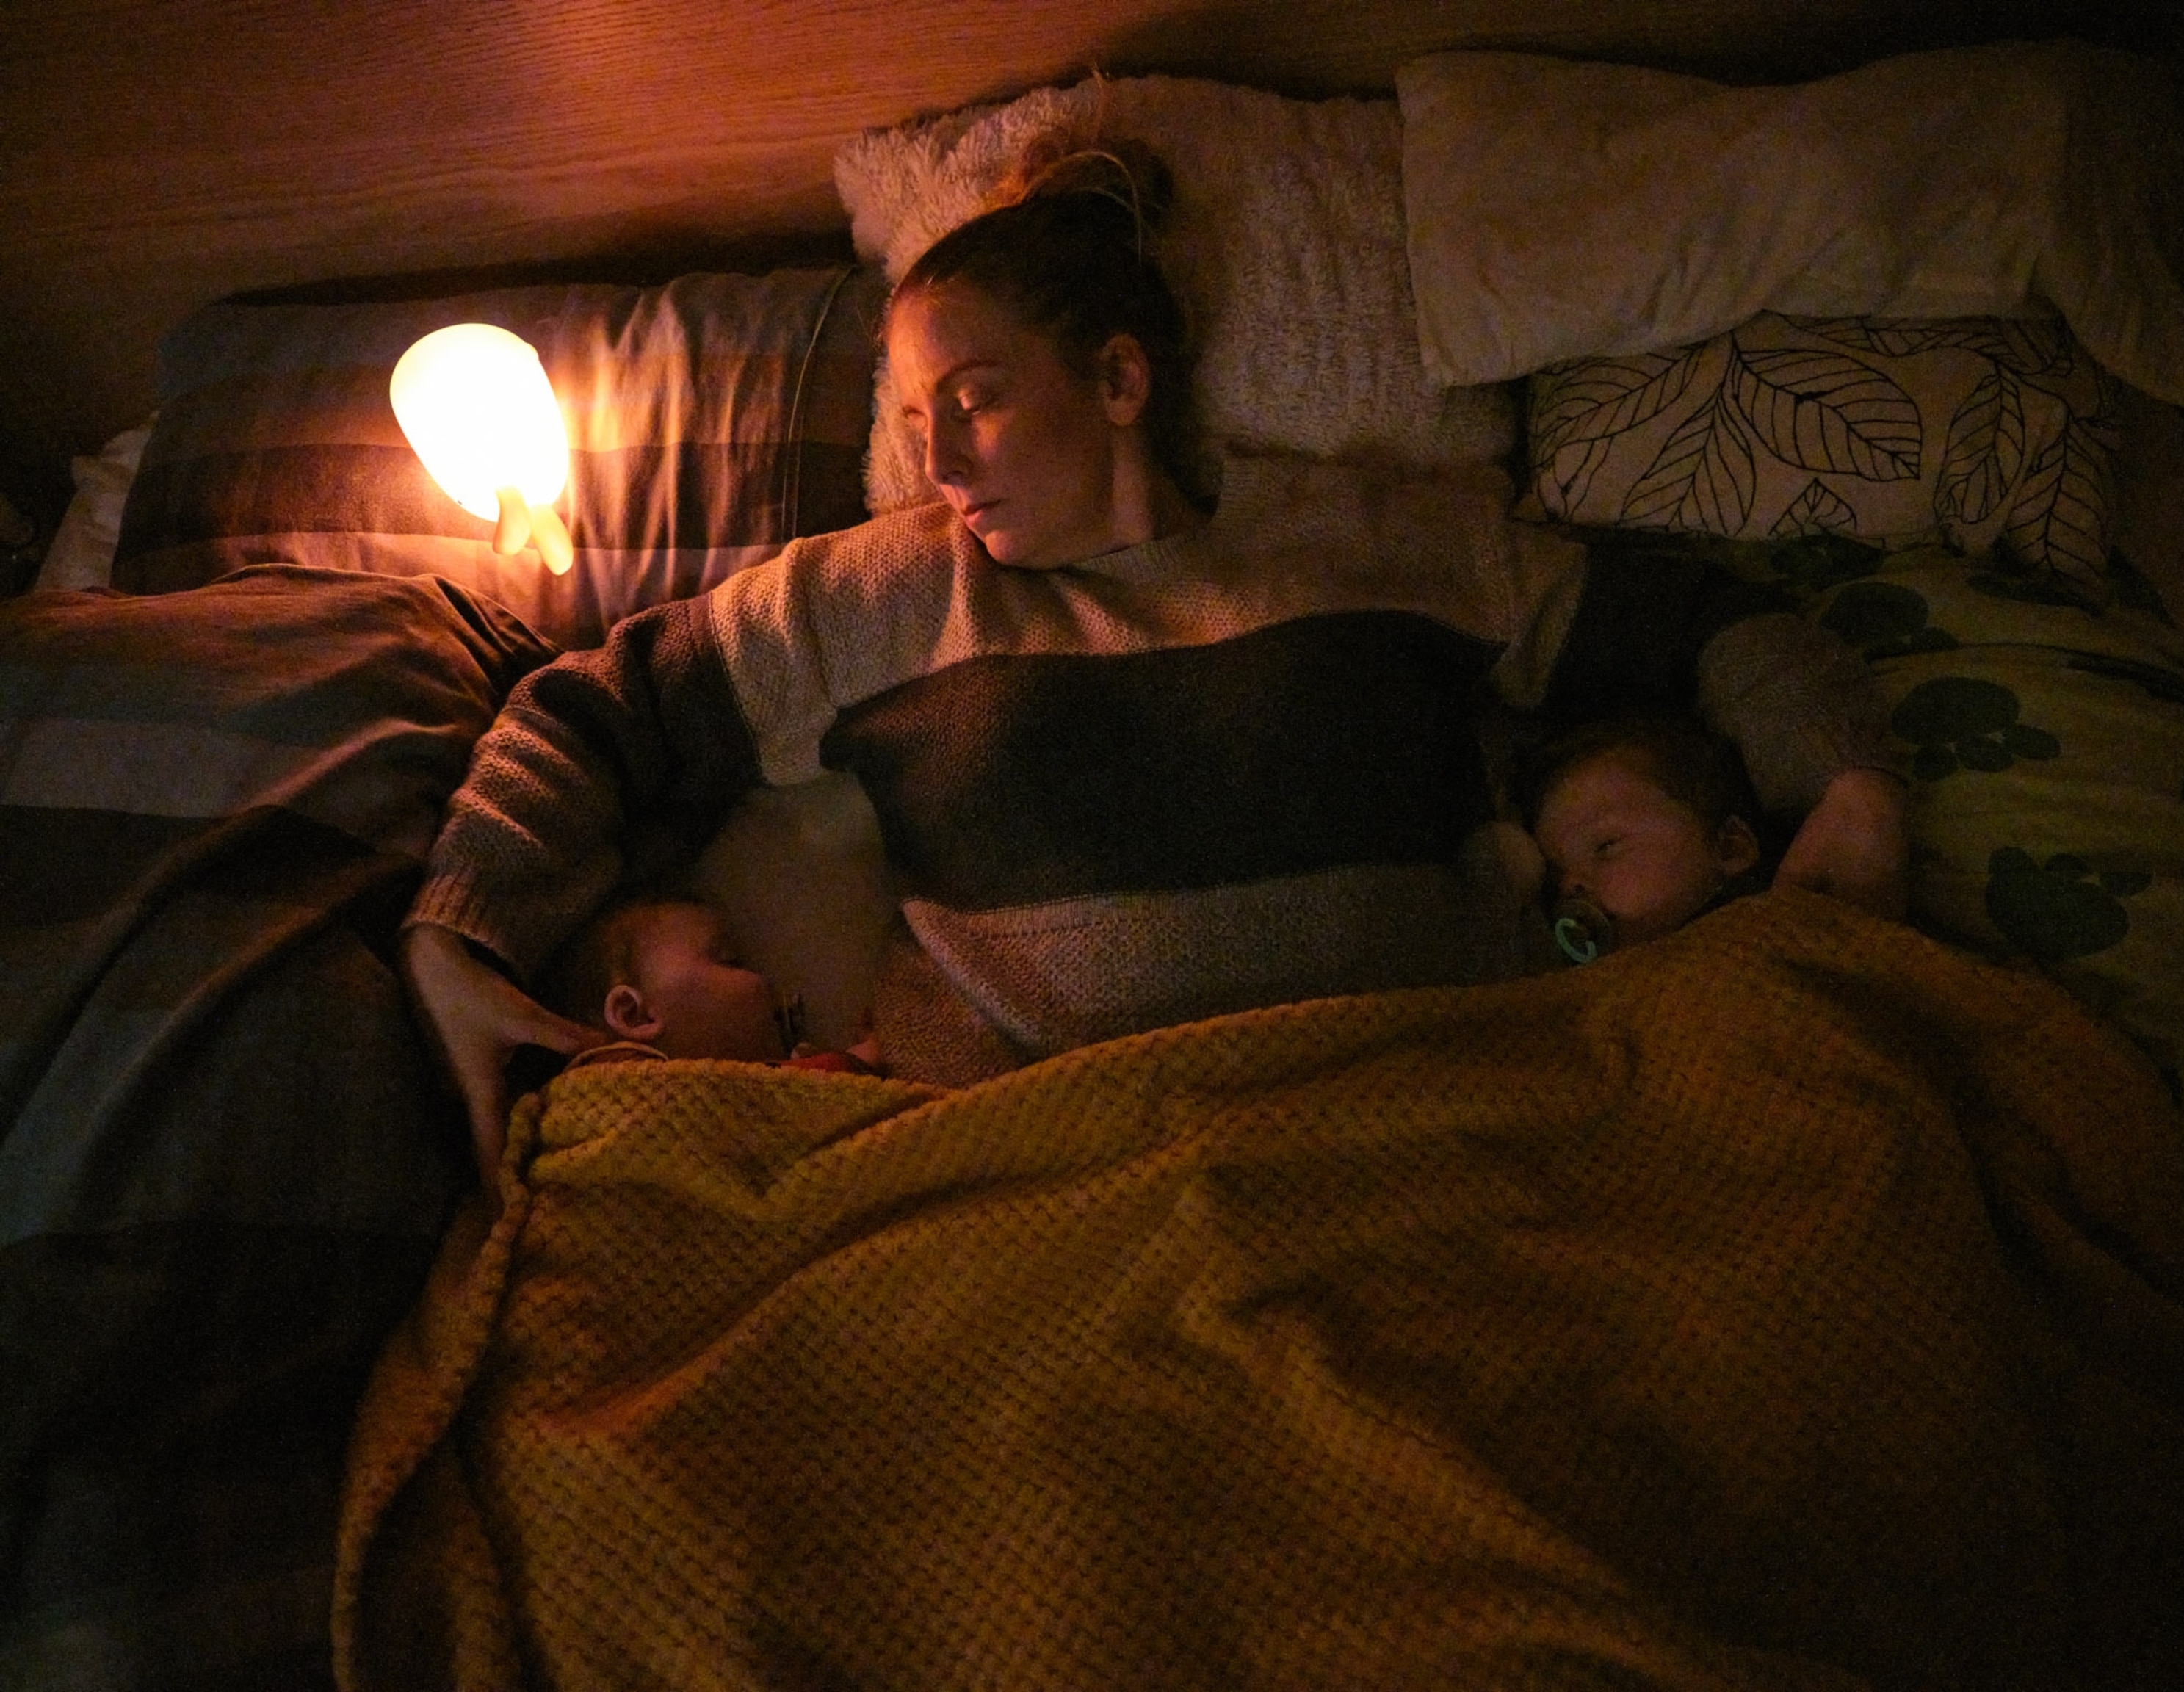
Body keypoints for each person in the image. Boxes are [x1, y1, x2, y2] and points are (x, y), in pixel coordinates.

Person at [402, 135, 1911, 1187]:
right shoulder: (878, 596)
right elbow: (587, 713)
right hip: (1049, 1178)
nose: (937, 460)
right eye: (915, 417)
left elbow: (1710, 620)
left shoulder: (1382, 539)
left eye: (976, 400)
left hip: (1442, 1129)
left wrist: (1842, 779)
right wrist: (458, 935)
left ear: (1119, 379)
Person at [1523, 712, 1890, 960]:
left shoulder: (1776, 925)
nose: (1570, 886)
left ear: (1729, 848)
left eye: (1606, 847)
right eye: (1556, 877)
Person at [538, 894, 883, 1072]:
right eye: (729, 961)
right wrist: (862, 1057)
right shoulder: (630, 1086)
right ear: (635, 1015)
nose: (764, 981)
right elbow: (791, 1090)